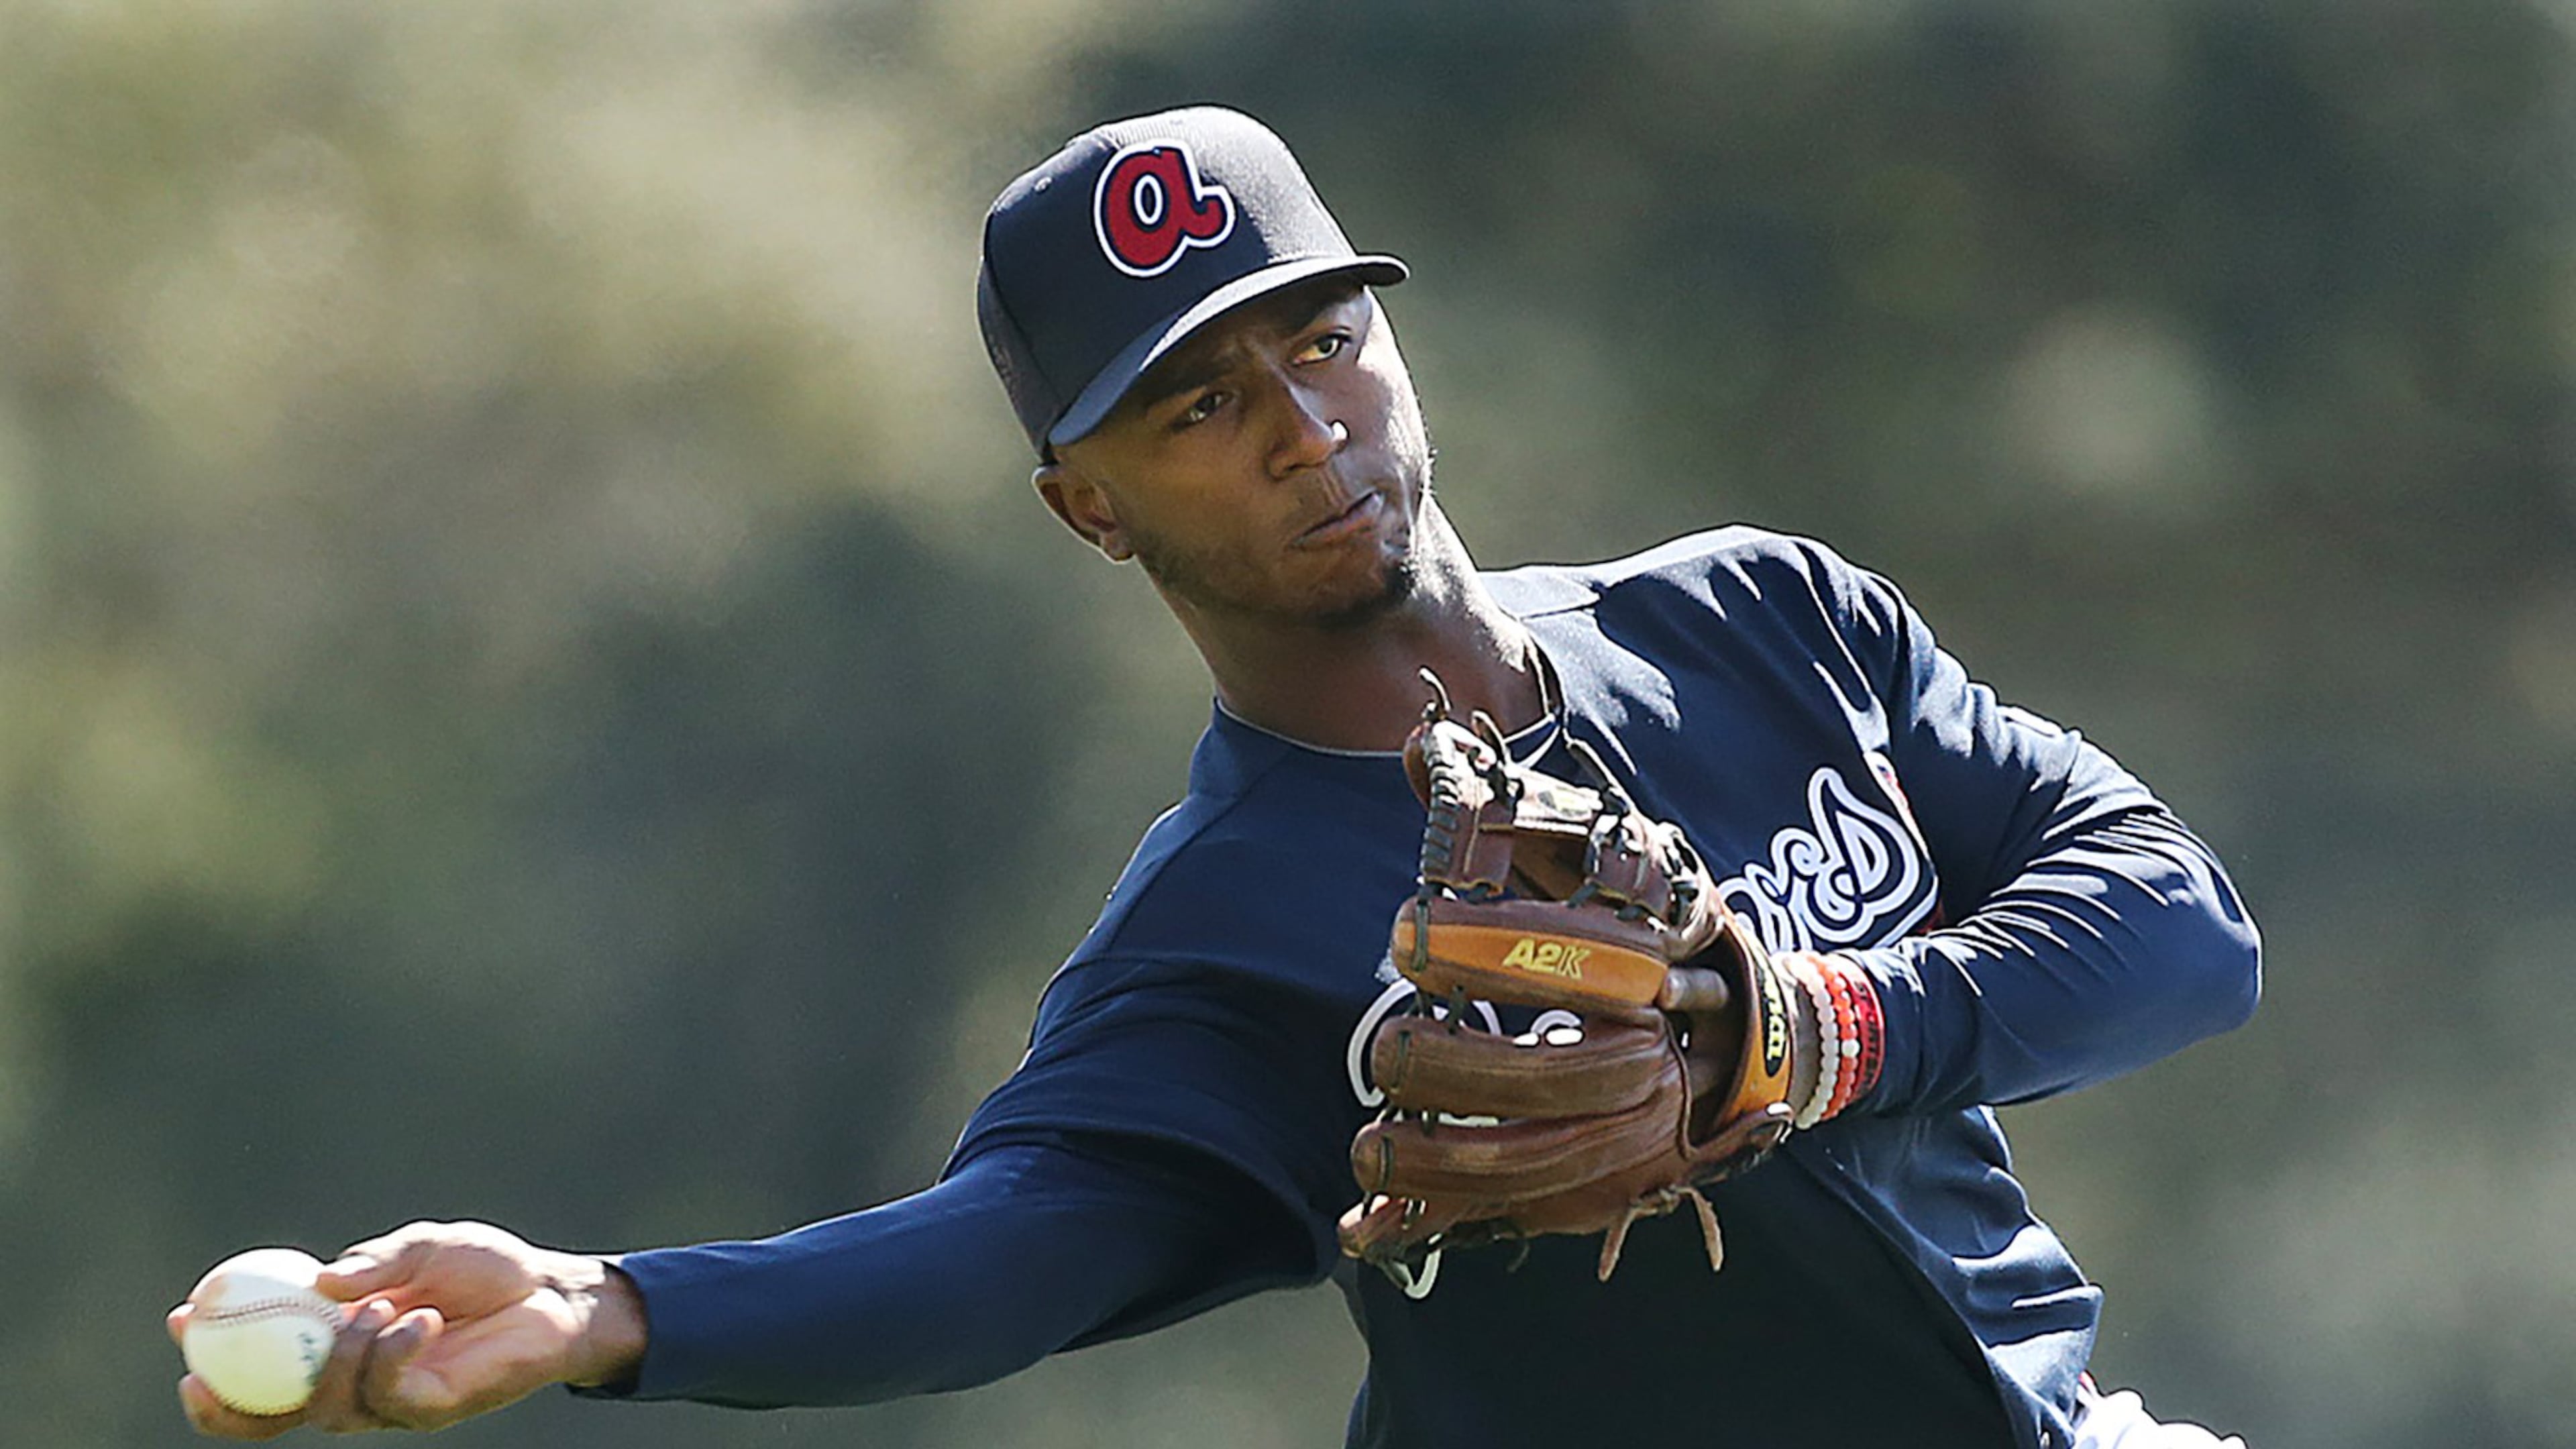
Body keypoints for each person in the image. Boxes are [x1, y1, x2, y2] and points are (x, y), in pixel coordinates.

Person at [170, 105, 2261, 1449]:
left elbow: (2180, 922)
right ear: (1089, 508)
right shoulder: (1222, 938)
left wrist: (1810, 1030)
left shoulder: (1756, 615)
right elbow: (992, 1256)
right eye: (1194, 404)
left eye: (1321, 341)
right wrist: (605, 1306)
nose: (1299, 423)